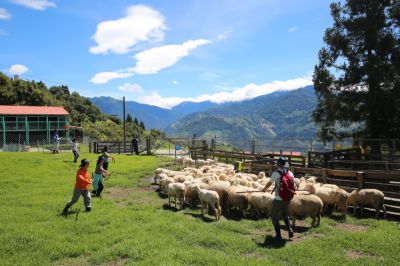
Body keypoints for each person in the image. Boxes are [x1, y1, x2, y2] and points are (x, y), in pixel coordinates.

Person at [262, 157, 295, 240]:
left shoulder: (276, 173)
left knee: (274, 216)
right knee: (285, 214)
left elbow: (269, 183)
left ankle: (278, 235)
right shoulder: (290, 173)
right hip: (288, 198)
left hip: (278, 198)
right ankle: (290, 230)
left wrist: (264, 189)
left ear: (277, 165)